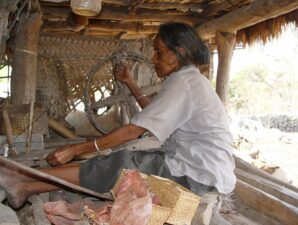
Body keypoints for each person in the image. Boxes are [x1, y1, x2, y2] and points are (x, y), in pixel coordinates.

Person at [0, 22, 236, 221]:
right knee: (120, 162)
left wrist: (76, 149)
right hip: (199, 169)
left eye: (159, 52)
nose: (154, 58)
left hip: (199, 176)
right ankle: (26, 185)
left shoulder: (184, 82)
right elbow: (154, 115)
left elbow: (134, 130)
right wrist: (131, 83)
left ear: (178, 53)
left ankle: (25, 178)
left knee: (120, 163)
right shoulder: (189, 80)